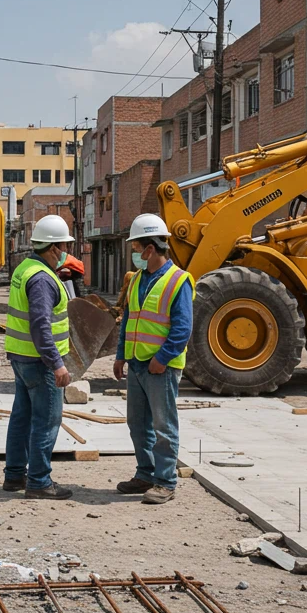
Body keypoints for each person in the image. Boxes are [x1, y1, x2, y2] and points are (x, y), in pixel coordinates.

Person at [113, 213, 194, 505]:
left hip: (161, 368)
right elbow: (128, 320)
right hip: (136, 364)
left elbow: (183, 328)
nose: (135, 253)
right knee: (138, 424)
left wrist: (162, 358)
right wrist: (121, 355)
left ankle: (165, 481)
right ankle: (145, 474)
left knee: (163, 426)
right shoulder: (136, 280)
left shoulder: (178, 281)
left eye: (137, 248)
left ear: (151, 248)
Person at [3, 214, 74, 499]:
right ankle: (39, 481)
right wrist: (57, 364)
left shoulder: (26, 268)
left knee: (22, 417)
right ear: (54, 248)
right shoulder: (43, 279)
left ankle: (15, 475)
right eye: (63, 246)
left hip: (21, 358)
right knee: (46, 421)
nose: (65, 252)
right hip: (40, 362)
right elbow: (41, 324)